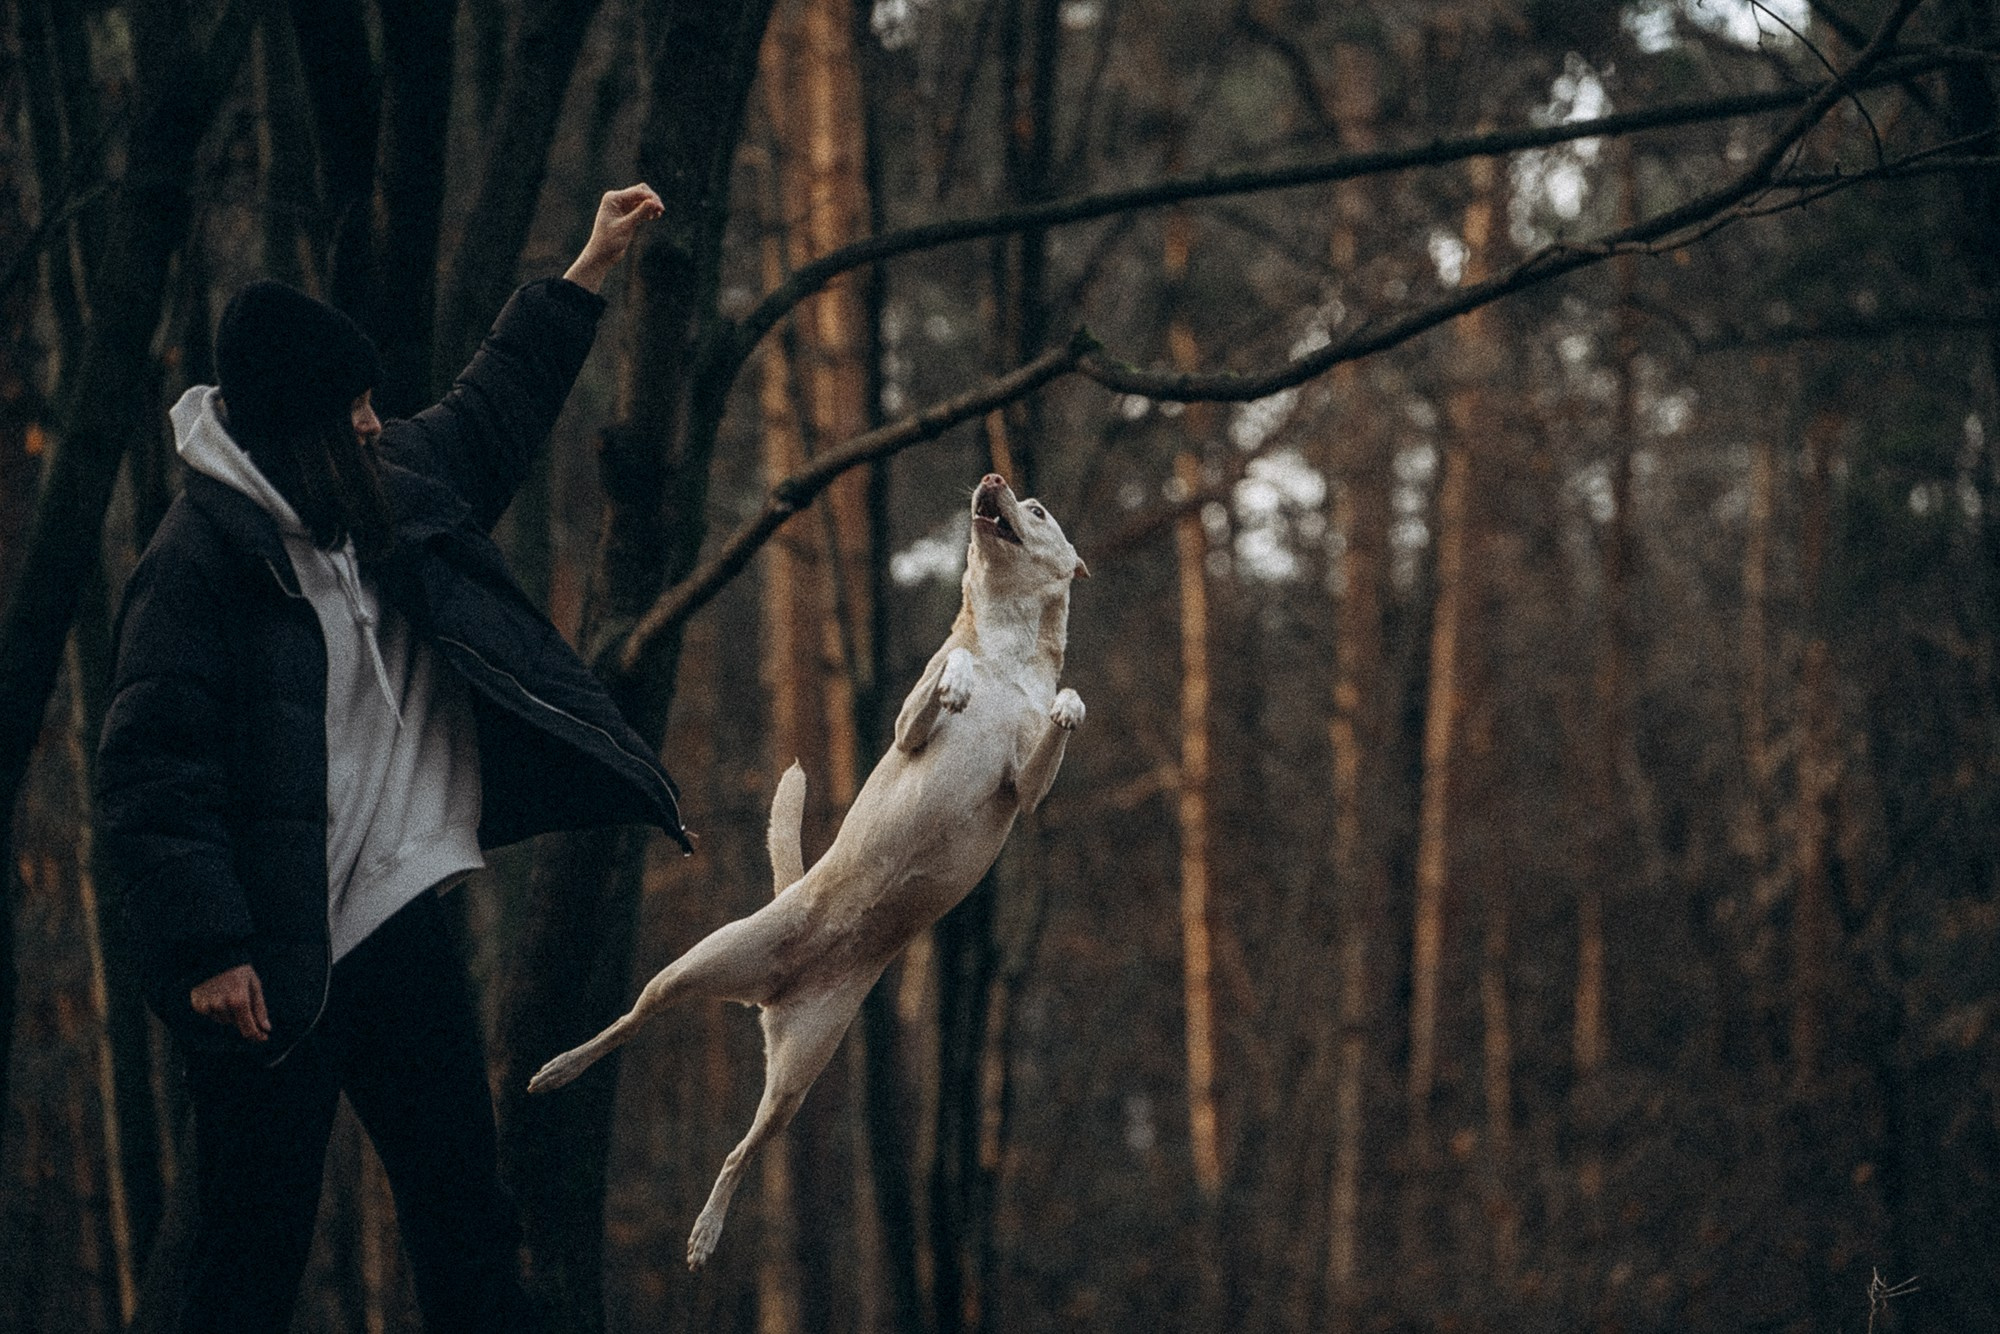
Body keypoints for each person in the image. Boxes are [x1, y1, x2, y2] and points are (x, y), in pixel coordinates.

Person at [96, 183, 688, 1332]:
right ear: (294, 431)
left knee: (466, 1218)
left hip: (393, 925)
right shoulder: (196, 566)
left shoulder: (381, 493)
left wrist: (587, 268)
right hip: (267, 963)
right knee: (251, 1254)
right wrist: (211, 948)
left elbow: (492, 409)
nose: (374, 423)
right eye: (353, 409)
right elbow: (150, 775)